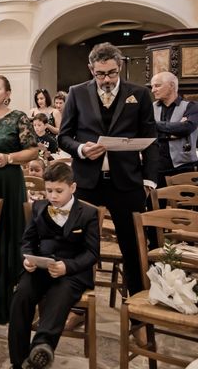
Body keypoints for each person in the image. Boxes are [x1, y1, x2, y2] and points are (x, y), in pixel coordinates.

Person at [58, 42, 158, 306]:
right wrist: (80, 149)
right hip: (88, 182)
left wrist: (148, 181)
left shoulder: (139, 94)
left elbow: (151, 139)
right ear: (91, 69)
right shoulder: (77, 93)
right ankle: (77, 307)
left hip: (127, 182)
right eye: (100, 74)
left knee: (134, 249)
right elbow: (63, 137)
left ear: (120, 67)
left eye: (112, 73)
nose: (106, 79)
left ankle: (137, 310)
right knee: (77, 245)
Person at [8, 162, 99, 369]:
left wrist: (67, 266)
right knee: (21, 295)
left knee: (60, 295)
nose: (53, 196)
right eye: (49, 191)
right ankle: (18, 359)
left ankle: (41, 347)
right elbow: (27, 241)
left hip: (71, 272)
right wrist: (28, 258)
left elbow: (92, 253)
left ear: (72, 188)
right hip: (40, 267)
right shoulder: (39, 208)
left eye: (59, 191)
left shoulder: (87, 213)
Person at [0, 75, 38, 324]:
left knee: (7, 234)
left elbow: (33, 150)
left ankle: (8, 300)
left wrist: (9, 158)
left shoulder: (18, 118)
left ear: (7, 93)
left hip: (8, 182)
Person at [151, 71, 198, 187]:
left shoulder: (191, 106)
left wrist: (154, 125)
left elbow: (187, 128)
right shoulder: (150, 107)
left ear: (171, 85)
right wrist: (173, 132)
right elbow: (145, 131)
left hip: (184, 166)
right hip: (157, 166)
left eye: (157, 85)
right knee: (155, 203)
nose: (153, 90)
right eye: (152, 86)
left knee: (185, 203)